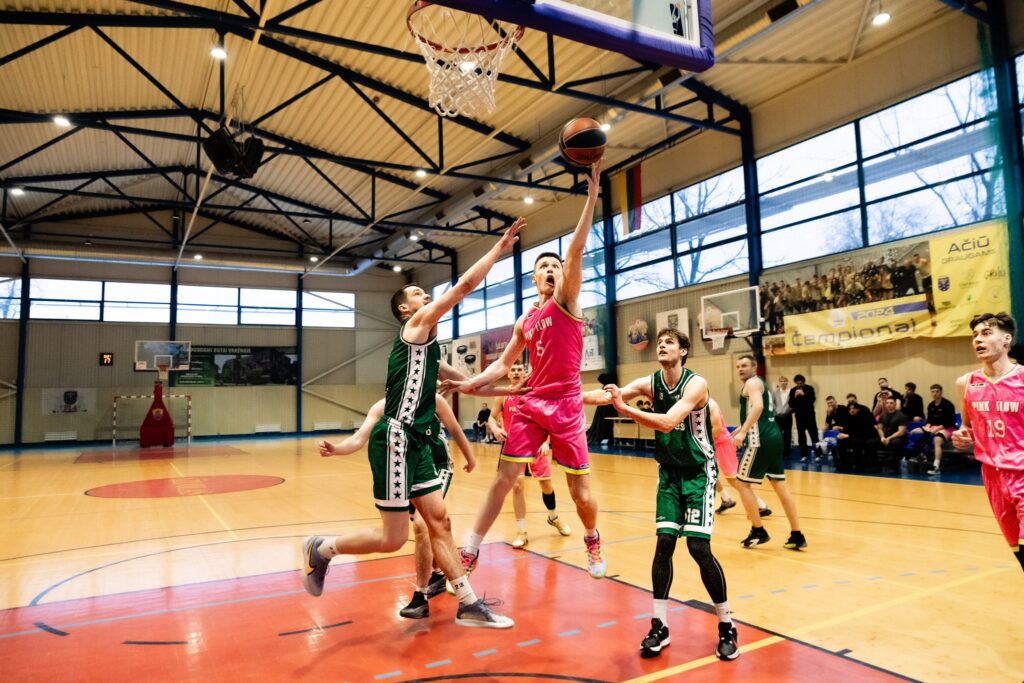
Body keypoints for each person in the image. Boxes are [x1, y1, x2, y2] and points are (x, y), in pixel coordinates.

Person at [300, 217, 524, 629]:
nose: (427, 296)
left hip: (418, 444)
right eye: (419, 293)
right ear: (406, 309)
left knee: (439, 521)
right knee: (393, 539)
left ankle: (468, 603)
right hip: (395, 438)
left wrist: (515, 390)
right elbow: (464, 287)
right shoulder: (414, 328)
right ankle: (322, 548)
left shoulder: (431, 352)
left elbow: (470, 384)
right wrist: (498, 248)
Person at [442, 161, 607, 578]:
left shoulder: (567, 300)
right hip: (533, 403)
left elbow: (576, 251)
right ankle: (471, 548)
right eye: (544, 267)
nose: (551, 270)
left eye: (555, 266)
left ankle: (592, 538)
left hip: (566, 404)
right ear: (534, 278)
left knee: (579, 491)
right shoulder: (525, 320)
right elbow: (502, 364)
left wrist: (591, 199)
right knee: (504, 478)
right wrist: (468, 383)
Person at [600, 329, 738, 661]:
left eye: (669, 342)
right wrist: (560, 395)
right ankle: (659, 626)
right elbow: (609, 395)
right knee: (664, 544)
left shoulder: (696, 384)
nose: (661, 345)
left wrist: (625, 408)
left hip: (698, 473)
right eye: (659, 342)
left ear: (684, 351)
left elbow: (666, 422)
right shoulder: (651, 382)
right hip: (669, 474)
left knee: (698, 548)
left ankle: (727, 625)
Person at [317, 394, 476, 618]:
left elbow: (456, 430)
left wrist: (470, 458)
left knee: (422, 524)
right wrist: (337, 449)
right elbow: (359, 438)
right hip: (405, 469)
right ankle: (439, 572)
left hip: (437, 467)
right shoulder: (382, 406)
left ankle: (421, 596)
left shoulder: (433, 399)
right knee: (422, 530)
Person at [952, 312, 1024, 574]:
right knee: (1019, 553)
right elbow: (967, 426)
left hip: (1022, 473)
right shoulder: (966, 383)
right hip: (992, 476)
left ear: (1006, 339)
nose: (977, 340)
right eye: (974, 335)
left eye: (986, 333)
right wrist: (962, 436)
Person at [486, 360, 572, 549]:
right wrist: (496, 429)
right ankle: (521, 531)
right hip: (514, 447)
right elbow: (491, 417)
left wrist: (546, 442)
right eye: (513, 370)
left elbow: (547, 418)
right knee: (517, 486)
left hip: (536, 445)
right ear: (508, 374)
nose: (516, 372)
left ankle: (553, 517)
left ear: (525, 373)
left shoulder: (534, 392)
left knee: (546, 486)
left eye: (519, 369)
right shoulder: (503, 395)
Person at [732, 354, 806, 550]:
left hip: (760, 440)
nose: (740, 369)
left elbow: (758, 406)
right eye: (738, 366)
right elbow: (760, 412)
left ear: (754, 367)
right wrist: (740, 428)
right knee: (780, 486)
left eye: (744, 365)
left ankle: (758, 530)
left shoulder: (752, 383)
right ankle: (797, 534)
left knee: (741, 483)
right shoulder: (760, 383)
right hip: (774, 438)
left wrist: (744, 431)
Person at [710, 397, 771, 517]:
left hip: (721, 444)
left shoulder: (710, 405)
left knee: (735, 480)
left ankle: (760, 505)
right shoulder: (695, 404)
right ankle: (726, 499)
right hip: (712, 444)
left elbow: (718, 429)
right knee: (708, 472)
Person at [911, 383, 957, 475]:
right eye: (933, 392)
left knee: (937, 440)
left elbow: (949, 422)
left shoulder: (948, 405)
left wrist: (936, 430)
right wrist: (928, 426)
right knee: (913, 432)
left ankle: (936, 467)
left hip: (947, 428)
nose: (935, 393)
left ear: (941, 392)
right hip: (933, 427)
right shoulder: (931, 405)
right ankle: (921, 456)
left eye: (937, 391)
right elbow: (929, 420)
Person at [872, 396, 908, 472]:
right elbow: (880, 428)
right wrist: (882, 437)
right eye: (887, 403)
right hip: (885, 437)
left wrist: (888, 438)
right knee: (870, 443)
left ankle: (894, 467)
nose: (889, 405)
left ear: (895, 404)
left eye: (891, 403)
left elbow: (901, 432)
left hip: (898, 437)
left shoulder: (901, 415)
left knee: (895, 443)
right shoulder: (882, 415)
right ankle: (876, 465)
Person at [788, 374, 818, 463]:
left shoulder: (809, 388)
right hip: (799, 417)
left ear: (803, 382)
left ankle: (818, 455)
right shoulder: (793, 390)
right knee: (801, 436)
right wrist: (795, 396)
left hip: (810, 416)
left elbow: (812, 399)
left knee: (814, 435)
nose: (799, 385)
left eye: (800, 383)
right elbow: (790, 404)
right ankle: (804, 455)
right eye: (797, 383)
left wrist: (803, 394)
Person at [772, 376, 793, 457]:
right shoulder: (775, 392)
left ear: (787, 382)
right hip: (777, 416)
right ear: (779, 382)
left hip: (788, 416)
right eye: (781, 381)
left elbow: (793, 403)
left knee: (788, 434)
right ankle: (778, 451)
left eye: (785, 381)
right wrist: (776, 412)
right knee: (778, 434)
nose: (783, 383)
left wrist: (789, 411)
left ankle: (786, 452)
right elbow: (772, 403)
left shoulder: (791, 391)